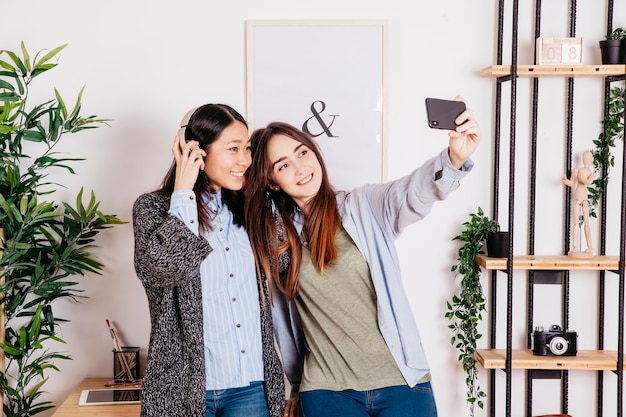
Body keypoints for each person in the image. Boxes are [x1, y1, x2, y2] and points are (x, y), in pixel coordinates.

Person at [244, 97, 480, 417]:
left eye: (302, 152)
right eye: (283, 165)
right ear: (271, 181)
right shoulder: (276, 241)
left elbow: (413, 192)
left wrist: (453, 159)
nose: (300, 168)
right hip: (326, 392)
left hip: (401, 383)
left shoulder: (363, 206)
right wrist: (297, 385)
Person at [132, 104, 289, 417]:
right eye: (233, 149)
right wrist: (183, 193)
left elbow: (285, 269)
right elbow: (169, 268)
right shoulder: (153, 210)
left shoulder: (254, 210)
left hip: (250, 388)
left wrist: (264, 193)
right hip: (183, 388)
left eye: (247, 149)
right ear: (195, 152)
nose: (244, 160)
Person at [562, 149, 595, 255]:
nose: (588, 160)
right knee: (576, 223)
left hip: (584, 197)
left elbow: (587, 182)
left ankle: (590, 246)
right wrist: (565, 180)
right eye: (587, 158)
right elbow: (572, 183)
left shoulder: (589, 172)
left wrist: (586, 178)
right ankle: (575, 247)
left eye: (589, 158)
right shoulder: (579, 171)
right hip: (578, 196)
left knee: (586, 222)